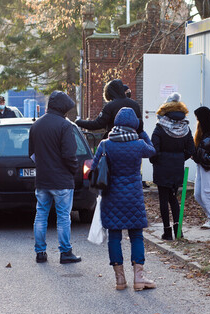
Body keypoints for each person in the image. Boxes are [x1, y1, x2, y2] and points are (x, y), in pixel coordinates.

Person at [90, 107, 156, 291]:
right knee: (136, 235)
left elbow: (94, 167)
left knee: (114, 236)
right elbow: (152, 151)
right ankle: (139, 278)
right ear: (134, 125)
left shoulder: (105, 144)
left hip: (111, 196)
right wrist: (142, 133)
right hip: (133, 197)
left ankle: (120, 279)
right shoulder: (139, 144)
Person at [28, 91, 81, 264]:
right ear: (63, 108)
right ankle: (65, 253)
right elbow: (69, 155)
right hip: (62, 180)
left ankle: (40, 253)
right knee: (63, 216)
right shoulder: (65, 126)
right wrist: (72, 171)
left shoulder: (36, 125)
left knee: (41, 214)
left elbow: (32, 154)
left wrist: (43, 165)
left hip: (43, 179)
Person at [150, 92, 195, 240]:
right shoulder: (185, 128)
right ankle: (179, 231)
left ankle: (167, 231)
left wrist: (156, 160)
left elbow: (153, 151)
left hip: (162, 168)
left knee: (163, 199)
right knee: (174, 198)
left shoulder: (160, 128)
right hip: (177, 168)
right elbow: (191, 150)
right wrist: (179, 158)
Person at [75, 79, 142, 139]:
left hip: (114, 140)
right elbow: (140, 124)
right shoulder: (134, 105)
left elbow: (97, 124)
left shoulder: (110, 106)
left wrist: (79, 122)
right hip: (133, 139)